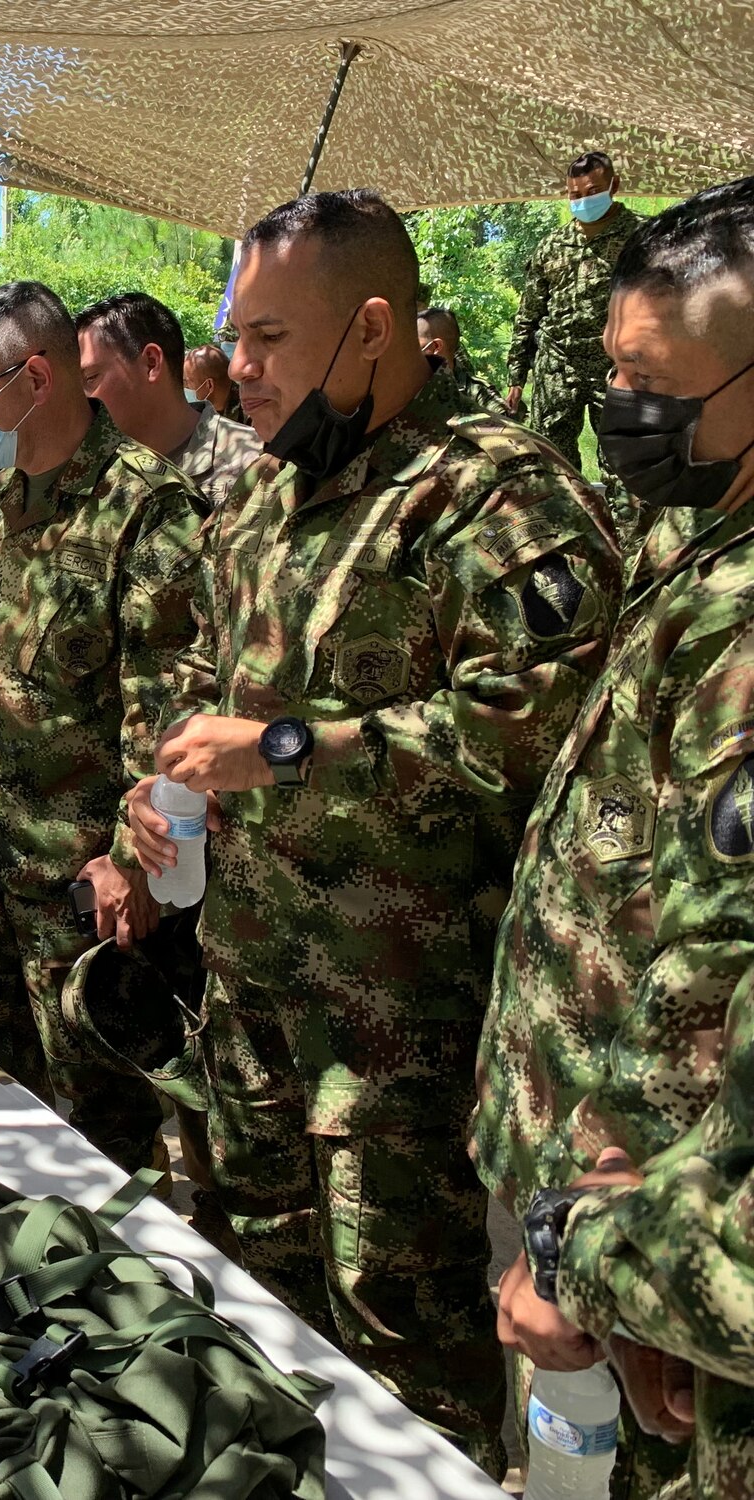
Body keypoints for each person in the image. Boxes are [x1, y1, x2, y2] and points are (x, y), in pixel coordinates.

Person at [124, 190, 620, 1472]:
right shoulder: (265, 499)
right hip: (248, 1005)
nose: (233, 370)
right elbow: (204, 667)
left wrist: (286, 750)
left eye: (267, 339)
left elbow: (539, 722)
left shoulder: (490, 495)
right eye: (232, 338)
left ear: (374, 329)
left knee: (404, 1372)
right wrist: (164, 777)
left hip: (396, 1038)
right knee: (255, 1319)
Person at [479, 175, 754, 1500]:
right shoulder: (699, 539)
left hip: (648, 1252)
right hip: (594, 1206)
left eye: (649, 383)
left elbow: (717, 998)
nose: (617, 414)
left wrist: (598, 1242)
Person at [0, 280, 205, 1175]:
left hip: (79, 900)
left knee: (96, 1140)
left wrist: (128, 860)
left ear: (34, 377)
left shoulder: (147, 511)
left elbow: (168, 719)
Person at [508, 151, 646, 472]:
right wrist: (516, 376)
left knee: (624, 463)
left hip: (618, 368)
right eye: (575, 195)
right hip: (557, 369)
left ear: (614, 186)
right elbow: (529, 313)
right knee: (555, 465)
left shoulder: (642, 237)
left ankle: (623, 524)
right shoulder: (552, 245)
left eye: (593, 192)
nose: (584, 200)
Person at [78, 292, 261, 516]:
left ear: (151, 363)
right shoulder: (92, 473)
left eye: (90, 378)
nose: (82, 398)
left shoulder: (255, 462)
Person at [418, 305, 503, 412]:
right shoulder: (406, 387)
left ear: (436, 346)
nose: (409, 350)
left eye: (414, 344)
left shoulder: (480, 396)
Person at [184, 342, 244, 424]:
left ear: (209, 385)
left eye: (187, 382)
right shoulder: (203, 412)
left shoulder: (253, 411)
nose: (184, 387)